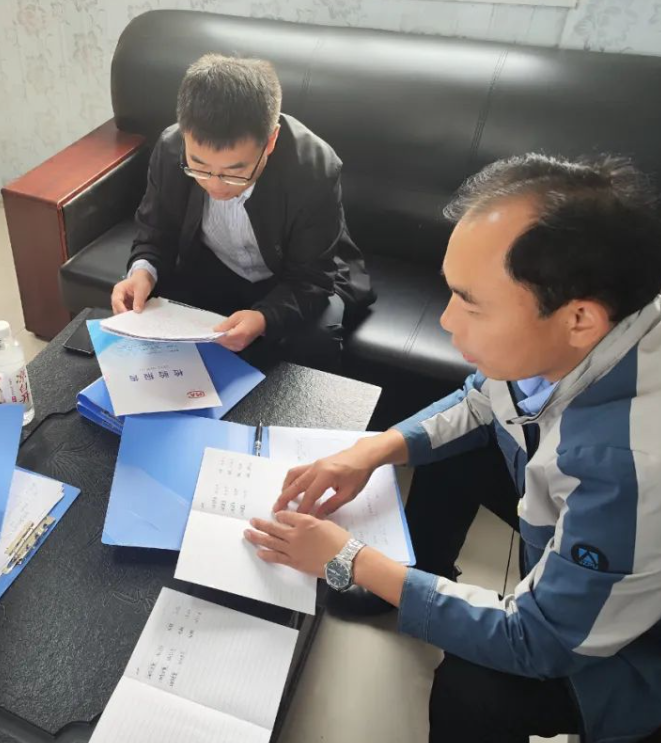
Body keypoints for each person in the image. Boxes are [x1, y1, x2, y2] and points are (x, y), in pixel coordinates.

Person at [245, 154, 661, 742]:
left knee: (473, 690)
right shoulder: (587, 334)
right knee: (445, 451)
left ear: (579, 320)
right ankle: (418, 575)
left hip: (633, 650)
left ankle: (402, 582)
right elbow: (482, 400)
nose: (445, 320)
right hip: (582, 537)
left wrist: (351, 559)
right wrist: (369, 451)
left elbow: (538, 639)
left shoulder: (631, 464)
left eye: (471, 303)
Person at [109, 54, 373, 369]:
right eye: (199, 167)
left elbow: (311, 278)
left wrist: (264, 318)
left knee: (316, 338)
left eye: (235, 172)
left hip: (298, 278)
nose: (215, 185)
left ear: (270, 141)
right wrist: (142, 272)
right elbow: (155, 232)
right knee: (148, 309)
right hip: (213, 265)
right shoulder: (170, 149)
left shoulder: (314, 169)